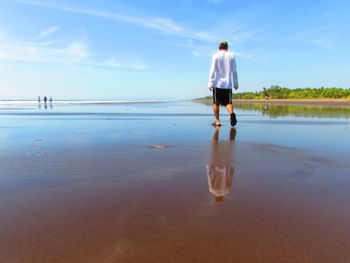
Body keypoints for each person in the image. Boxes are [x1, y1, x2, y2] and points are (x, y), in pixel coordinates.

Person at [208, 40, 239, 127]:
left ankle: (217, 121)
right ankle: (231, 113)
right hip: (228, 84)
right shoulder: (231, 55)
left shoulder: (215, 56)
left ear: (219, 47)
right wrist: (236, 83)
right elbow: (234, 70)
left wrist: (210, 83)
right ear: (227, 47)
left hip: (217, 84)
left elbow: (212, 70)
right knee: (228, 102)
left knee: (216, 103)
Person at [206, 127, 236, 203]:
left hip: (225, 164)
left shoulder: (227, 190)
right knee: (216, 148)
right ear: (216, 198)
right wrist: (208, 166)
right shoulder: (212, 190)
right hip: (215, 164)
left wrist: (232, 167)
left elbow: (230, 177)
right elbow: (210, 176)